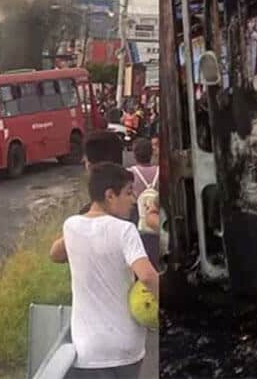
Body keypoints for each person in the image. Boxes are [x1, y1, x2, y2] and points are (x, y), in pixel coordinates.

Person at [50, 162, 159, 379]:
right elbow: (147, 276)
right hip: (127, 346)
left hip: (88, 349)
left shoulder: (71, 226)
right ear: (110, 195)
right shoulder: (125, 231)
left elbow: (55, 254)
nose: (133, 200)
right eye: (128, 193)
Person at [129, 139, 160, 234]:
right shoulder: (160, 171)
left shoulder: (129, 173)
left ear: (134, 155)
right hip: (157, 216)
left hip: (137, 218)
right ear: (151, 153)